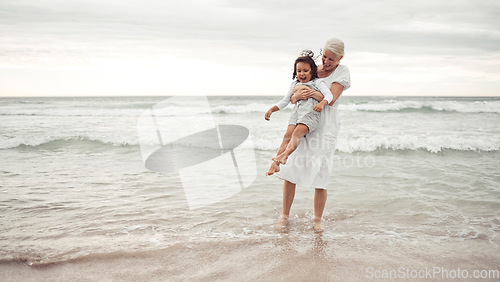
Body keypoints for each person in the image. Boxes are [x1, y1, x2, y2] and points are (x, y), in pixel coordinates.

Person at [273, 38, 351, 232]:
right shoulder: (312, 69)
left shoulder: (342, 72)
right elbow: (294, 95)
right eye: (324, 56)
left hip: (326, 125)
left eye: (331, 59)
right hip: (304, 119)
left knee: (321, 171)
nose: (325, 61)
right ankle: (284, 215)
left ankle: (317, 219)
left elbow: (331, 99)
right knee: (291, 167)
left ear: (340, 58)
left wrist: (313, 94)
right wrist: (297, 96)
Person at [264, 51, 333, 176]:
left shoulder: (318, 83)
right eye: (299, 71)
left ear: (312, 71)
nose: (302, 74)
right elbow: (285, 100)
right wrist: (271, 110)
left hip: (310, 115)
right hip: (296, 114)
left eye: (305, 70)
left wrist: (322, 103)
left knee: (296, 133)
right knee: (287, 136)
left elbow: (329, 95)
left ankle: (285, 156)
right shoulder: (294, 84)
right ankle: (275, 164)